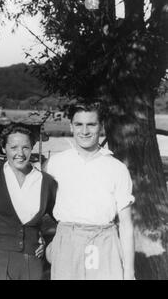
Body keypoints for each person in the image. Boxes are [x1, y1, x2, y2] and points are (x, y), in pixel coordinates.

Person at [45, 103, 135, 280]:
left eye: (91, 124)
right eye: (79, 124)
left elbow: (126, 224)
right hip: (67, 244)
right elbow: (41, 205)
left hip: (104, 242)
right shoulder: (55, 163)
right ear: (71, 125)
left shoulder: (116, 168)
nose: (84, 131)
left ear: (101, 126)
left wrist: (129, 272)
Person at [0, 124, 57, 280]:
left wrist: (50, 243)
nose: (20, 153)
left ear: (32, 147)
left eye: (26, 147)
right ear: (4, 148)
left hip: (32, 261)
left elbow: (64, 219)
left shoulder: (46, 182)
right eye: (14, 147)